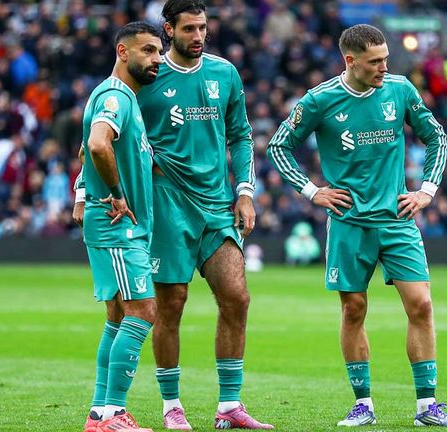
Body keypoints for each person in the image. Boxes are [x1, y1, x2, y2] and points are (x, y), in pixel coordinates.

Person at [266, 24, 447, 428]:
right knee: (354, 308)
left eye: (386, 59)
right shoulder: (320, 100)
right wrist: (312, 191)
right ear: (350, 60)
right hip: (349, 222)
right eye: (375, 62)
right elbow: (278, 145)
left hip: (396, 219)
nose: (384, 68)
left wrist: (426, 190)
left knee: (422, 305)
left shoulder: (400, 90)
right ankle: (363, 404)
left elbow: (437, 138)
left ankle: (427, 406)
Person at [135, 0, 272, 429]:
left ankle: (229, 406)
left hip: (216, 204)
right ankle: (171, 406)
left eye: (203, 28)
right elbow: (116, 131)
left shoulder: (224, 73)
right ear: (168, 30)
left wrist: (245, 192)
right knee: (171, 305)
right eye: (189, 28)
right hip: (167, 204)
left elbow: (242, 135)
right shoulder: (148, 75)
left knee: (237, 297)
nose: (198, 36)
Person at [75, 21, 163, 432]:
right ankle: (112, 413)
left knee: (117, 315)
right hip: (118, 225)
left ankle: (100, 413)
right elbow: (95, 144)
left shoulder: (122, 97)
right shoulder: (116, 95)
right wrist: (115, 191)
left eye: (159, 52)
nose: (157, 59)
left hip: (116, 223)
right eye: (147, 51)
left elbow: (82, 149)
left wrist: (80, 193)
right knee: (143, 310)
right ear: (122, 52)